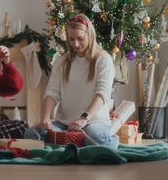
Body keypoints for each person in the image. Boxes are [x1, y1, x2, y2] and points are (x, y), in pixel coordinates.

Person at [24, 14, 118, 148]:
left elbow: (103, 94)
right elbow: (52, 92)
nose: (75, 44)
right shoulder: (62, 61)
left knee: (96, 138)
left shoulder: (103, 59)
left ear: (89, 35)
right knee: (31, 134)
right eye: (71, 39)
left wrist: (84, 118)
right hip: (64, 125)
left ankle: (111, 139)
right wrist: (45, 117)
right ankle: (76, 142)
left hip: (92, 122)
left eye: (80, 38)